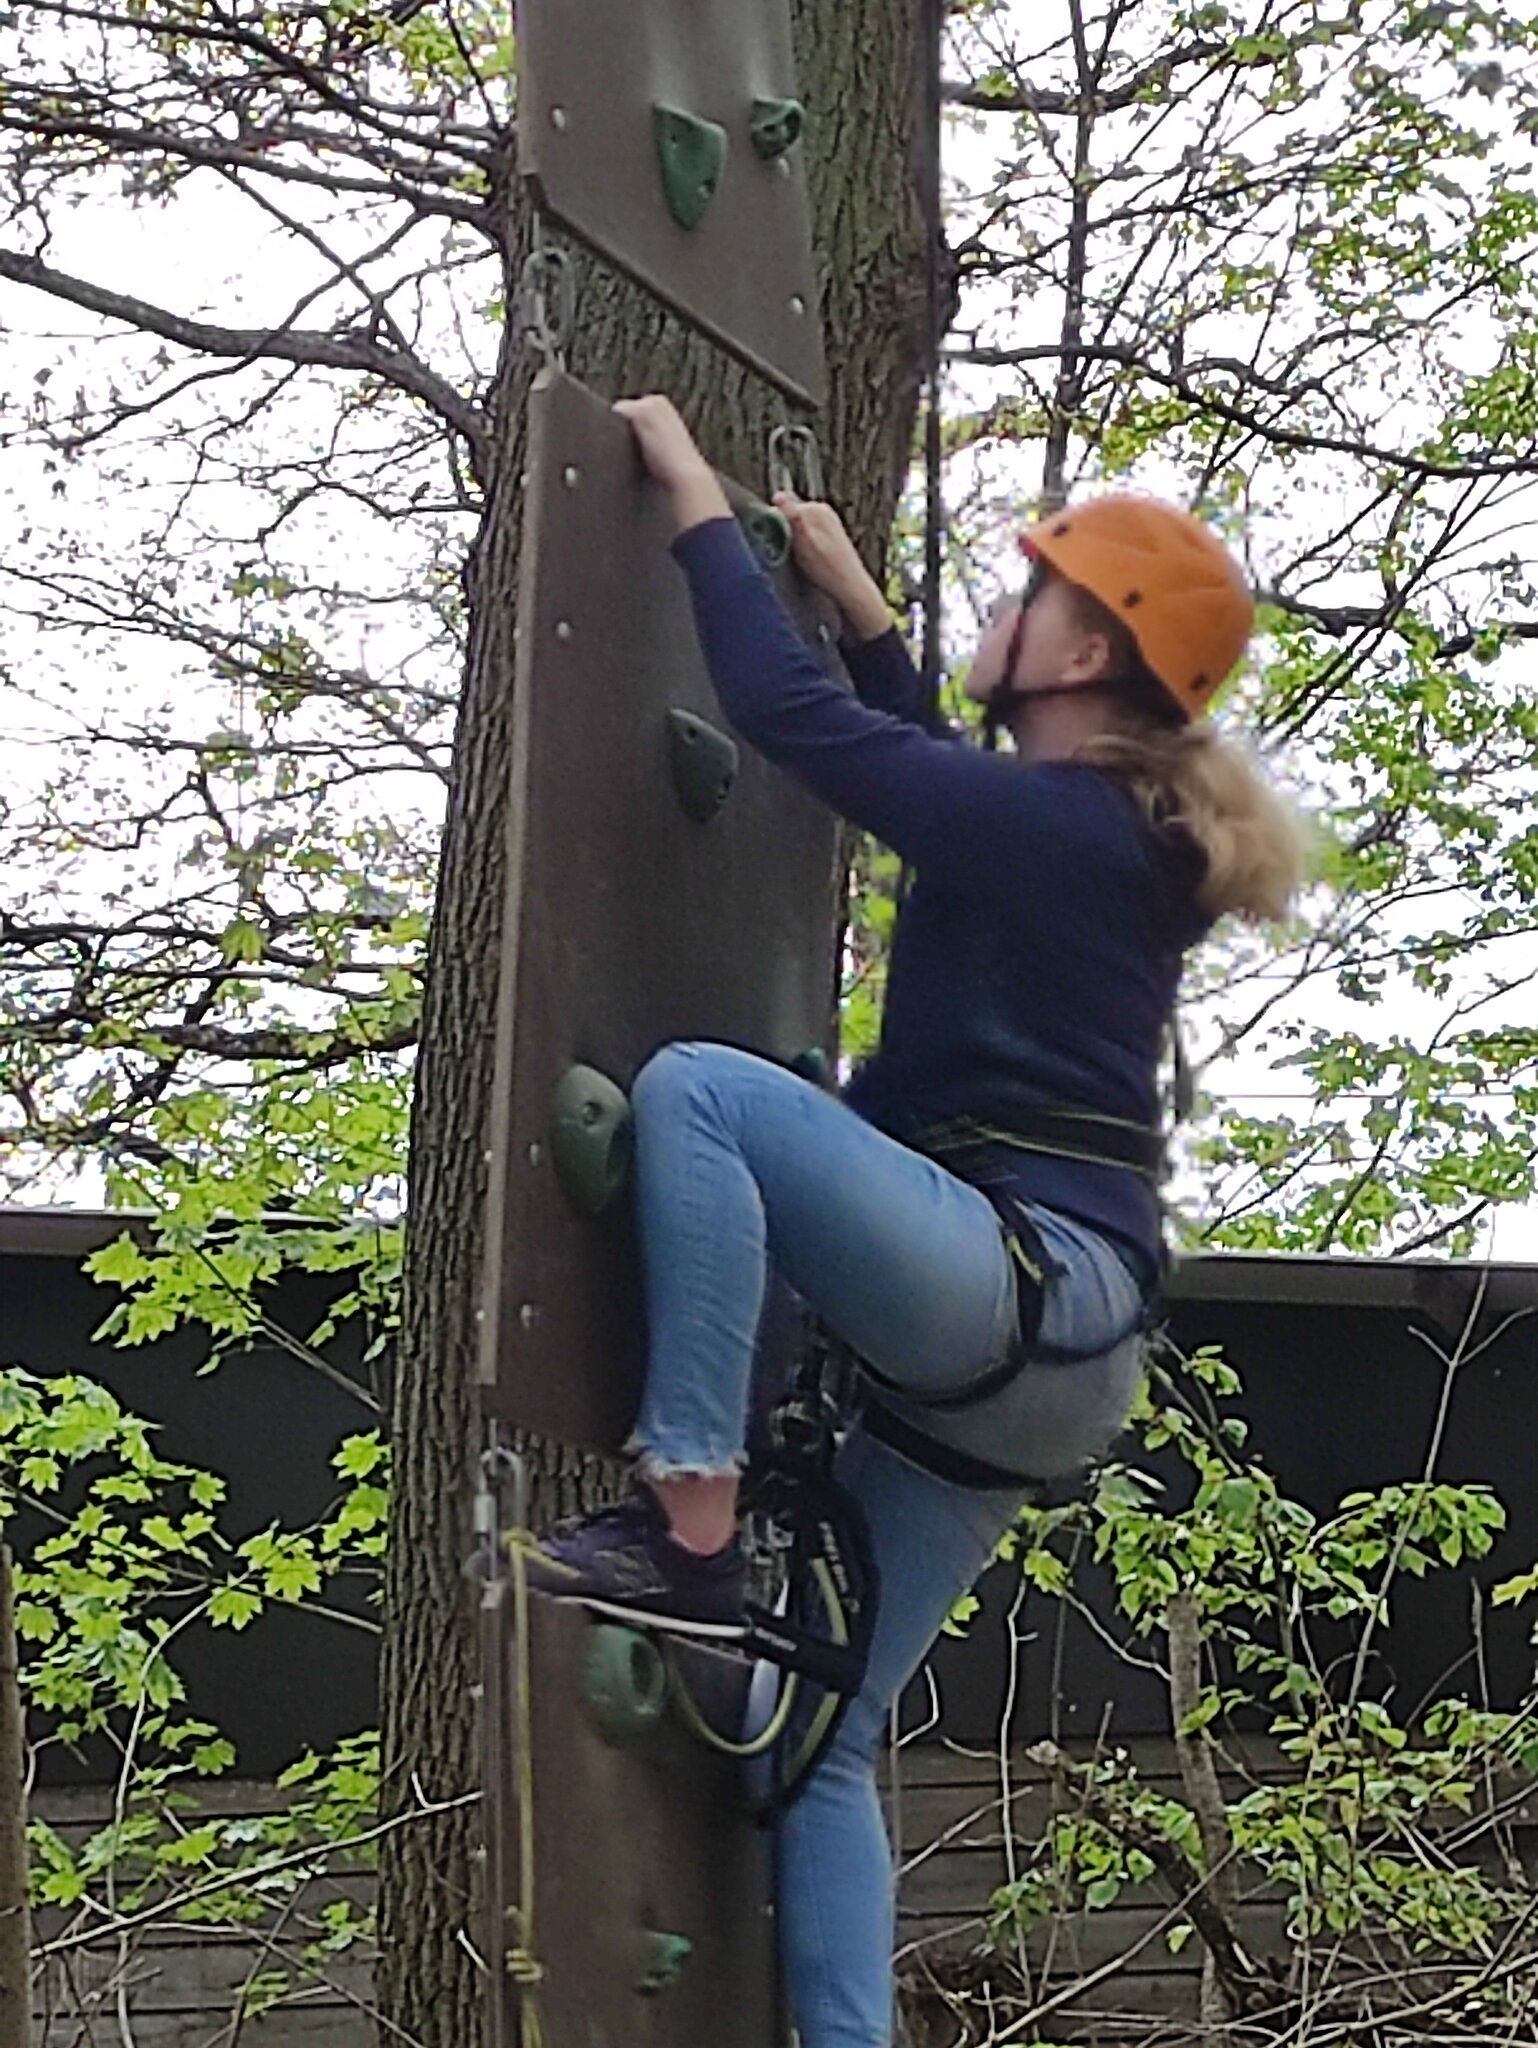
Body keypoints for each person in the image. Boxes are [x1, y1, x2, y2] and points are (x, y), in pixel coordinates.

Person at [520, 394, 1305, 2048]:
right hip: (1044, 1349)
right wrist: (872, 617)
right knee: (829, 1724)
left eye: (1028, 599)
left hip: (1014, 1286)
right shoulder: (1090, 828)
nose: (995, 619)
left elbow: (787, 718)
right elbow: (931, 782)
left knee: (708, 1096)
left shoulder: (1059, 825)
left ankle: (689, 1522)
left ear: (1084, 651)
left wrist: (684, 496)